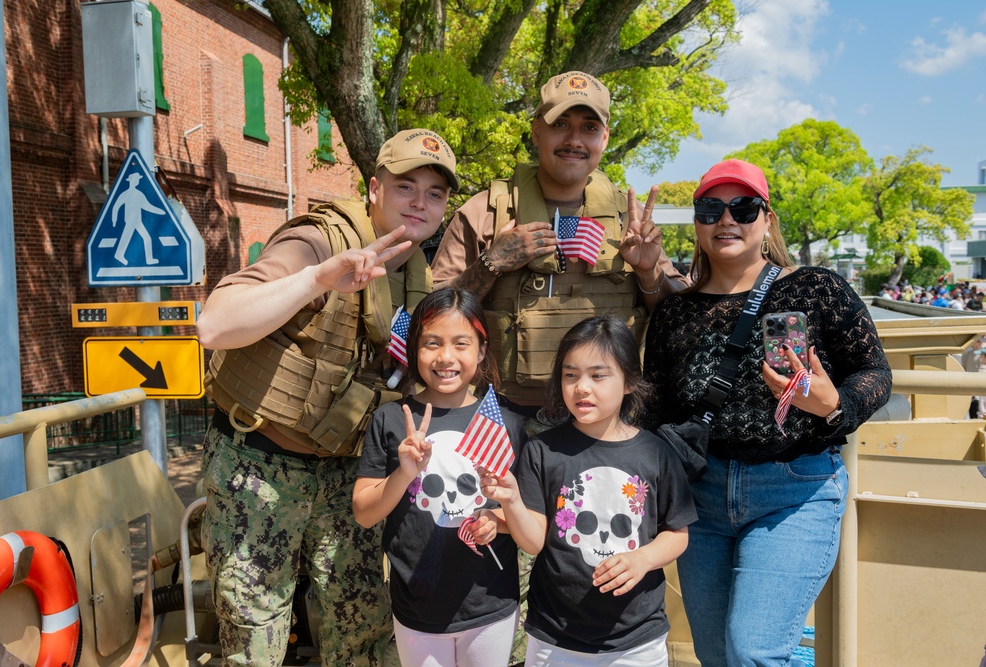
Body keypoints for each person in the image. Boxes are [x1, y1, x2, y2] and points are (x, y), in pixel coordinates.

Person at [195, 128, 460, 667]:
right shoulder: (318, 240)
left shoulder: (416, 271)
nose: (420, 202)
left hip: (343, 474)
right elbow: (215, 325)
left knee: (363, 629)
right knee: (254, 638)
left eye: (435, 193)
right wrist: (318, 277)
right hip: (259, 469)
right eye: (406, 186)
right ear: (373, 188)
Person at [642, 158, 892, 667]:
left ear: (767, 220)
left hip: (794, 488)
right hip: (702, 496)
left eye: (744, 206)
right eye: (711, 208)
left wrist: (834, 405)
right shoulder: (674, 312)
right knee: (716, 654)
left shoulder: (816, 288)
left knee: (754, 651)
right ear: (696, 223)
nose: (727, 219)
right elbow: (657, 410)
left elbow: (874, 373)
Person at [431, 70, 683, 421]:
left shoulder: (632, 218)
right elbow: (429, 316)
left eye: (589, 128)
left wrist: (648, 272)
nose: (574, 140)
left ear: (605, 137)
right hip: (506, 416)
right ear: (537, 131)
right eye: (560, 124)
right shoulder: (486, 211)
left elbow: (678, 318)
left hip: (606, 422)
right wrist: (491, 263)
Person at [479, 316, 697, 666]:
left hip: (638, 640)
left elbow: (677, 533)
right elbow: (533, 541)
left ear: (628, 381)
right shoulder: (541, 451)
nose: (582, 387)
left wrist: (642, 559)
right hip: (555, 637)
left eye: (598, 375)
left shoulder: (656, 453)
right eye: (570, 375)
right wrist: (512, 500)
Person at [354, 287, 527, 667]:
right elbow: (364, 513)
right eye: (431, 343)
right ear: (414, 349)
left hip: (490, 605)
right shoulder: (390, 419)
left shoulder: (506, 424)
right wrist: (404, 472)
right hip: (417, 605)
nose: (446, 357)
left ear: (482, 350)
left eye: (461, 343)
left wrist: (496, 521)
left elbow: (530, 522)